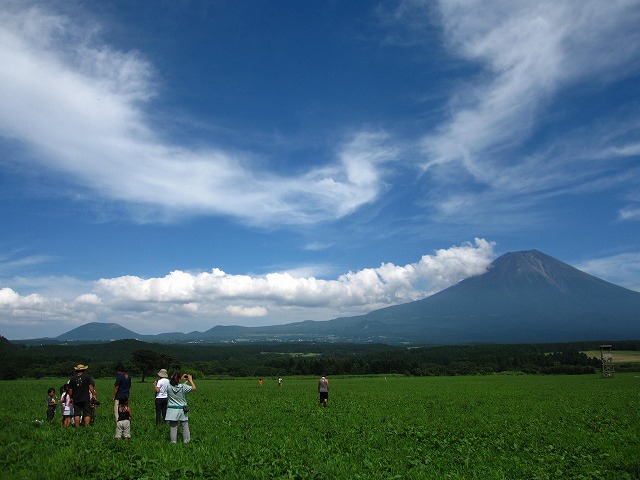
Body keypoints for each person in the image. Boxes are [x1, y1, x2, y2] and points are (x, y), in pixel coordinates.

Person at [165, 372, 196, 444]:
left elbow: (174, 384)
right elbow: (194, 388)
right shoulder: (183, 387)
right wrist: (190, 380)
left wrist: (180, 379)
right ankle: (186, 441)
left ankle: (173, 442)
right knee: (184, 425)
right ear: (179, 379)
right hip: (182, 409)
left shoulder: (169, 387)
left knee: (173, 427)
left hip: (171, 409)